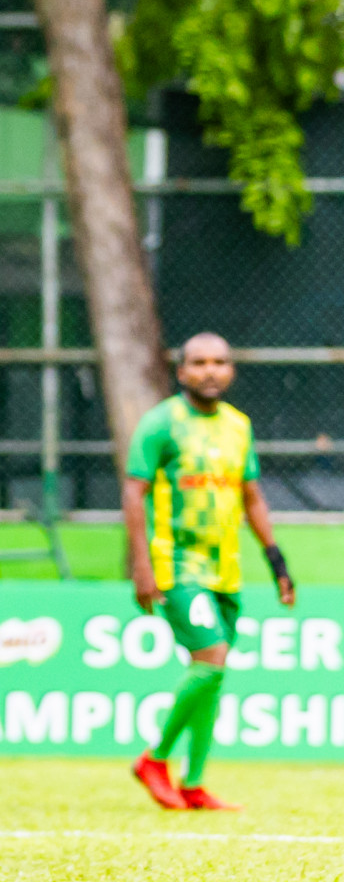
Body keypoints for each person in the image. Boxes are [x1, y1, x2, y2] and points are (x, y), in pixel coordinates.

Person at [127, 332, 295, 811]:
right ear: (182, 372)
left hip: (226, 570)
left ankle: (194, 781)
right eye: (198, 362)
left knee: (212, 673)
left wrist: (277, 563)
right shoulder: (161, 423)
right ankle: (155, 759)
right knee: (212, 656)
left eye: (219, 362)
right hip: (176, 565)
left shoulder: (238, 427)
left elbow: (253, 496)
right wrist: (141, 567)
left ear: (231, 370)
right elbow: (133, 491)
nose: (210, 370)